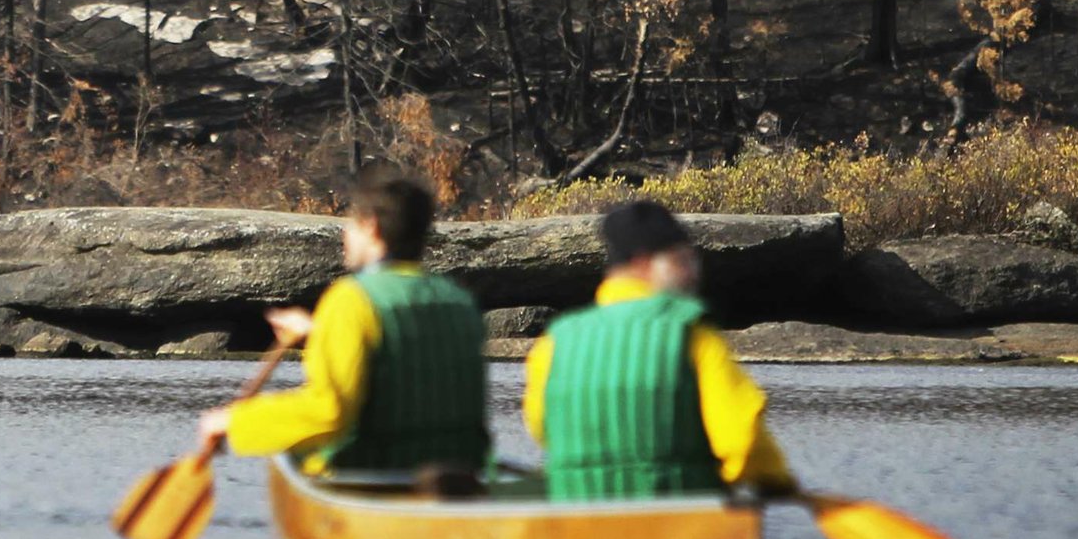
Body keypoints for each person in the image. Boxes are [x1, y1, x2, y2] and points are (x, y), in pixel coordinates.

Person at [196, 164, 491, 481]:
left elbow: (330, 412)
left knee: (300, 451)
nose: (344, 233)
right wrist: (318, 333)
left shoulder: (350, 300)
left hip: (373, 481)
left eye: (351, 223)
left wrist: (234, 421)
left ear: (372, 227)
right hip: (460, 478)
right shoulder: (459, 301)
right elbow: (402, 350)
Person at [522, 197, 796, 501]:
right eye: (682, 261)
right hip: (678, 526)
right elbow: (742, 441)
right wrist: (776, 480)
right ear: (642, 262)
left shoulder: (554, 341)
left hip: (575, 525)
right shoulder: (690, 333)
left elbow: (541, 428)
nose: (694, 273)